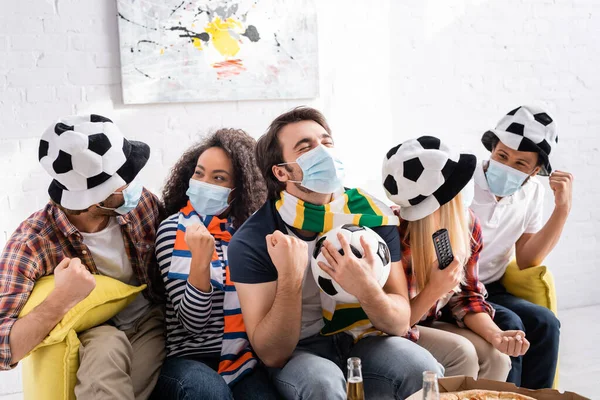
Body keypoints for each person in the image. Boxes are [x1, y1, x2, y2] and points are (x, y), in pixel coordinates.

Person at [227, 107, 442, 400]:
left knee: (421, 366)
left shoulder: (373, 215)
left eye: (326, 143)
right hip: (300, 350)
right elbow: (272, 354)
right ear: (281, 171)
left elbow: (399, 322)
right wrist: (290, 279)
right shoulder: (254, 239)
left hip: (364, 339)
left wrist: (365, 287)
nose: (323, 153)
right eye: (306, 148)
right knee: (323, 382)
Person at [0, 114, 166, 399]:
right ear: (96, 200)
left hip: (150, 321)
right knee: (105, 350)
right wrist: (62, 298)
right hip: (96, 329)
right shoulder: (32, 243)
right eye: (122, 183)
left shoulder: (143, 205)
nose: (132, 185)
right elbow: (4, 349)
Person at [381, 136, 522, 381]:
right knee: (462, 354)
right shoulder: (392, 236)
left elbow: (467, 297)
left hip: (431, 321)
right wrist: (435, 288)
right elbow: (396, 324)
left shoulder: (467, 226)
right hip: (398, 330)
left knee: (498, 357)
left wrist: (495, 335)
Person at [151, 129, 277, 399]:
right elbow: (192, 324)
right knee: (208, 391)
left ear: (238, 189)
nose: (204, 182)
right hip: (188, 359)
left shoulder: (250, 233)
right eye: (199, 173)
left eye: (218, 178)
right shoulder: (173, 230)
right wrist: (200, 261)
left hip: (242, 359)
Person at [470, 105, 571, 388]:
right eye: (502, 155)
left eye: (520, 164)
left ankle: (537, 397)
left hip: (492, 288)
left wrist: (562, 208)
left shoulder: (533, 192)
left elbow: (526, 259)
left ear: (535, 170)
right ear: (492, 149)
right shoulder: (464, 181)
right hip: (456, 291)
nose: (506, 166)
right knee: (512, 326)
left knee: (546, 322)